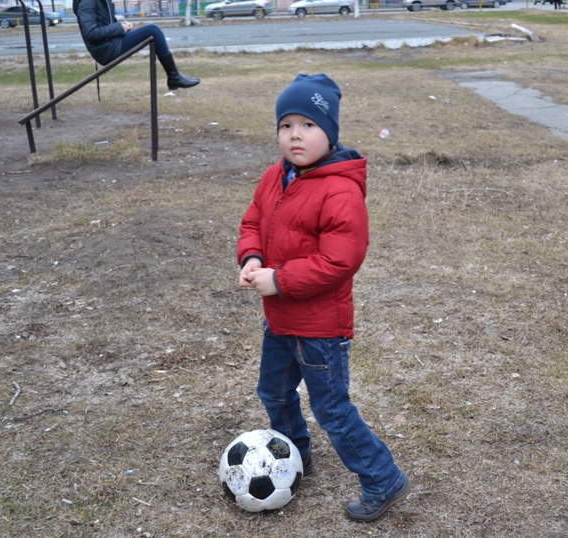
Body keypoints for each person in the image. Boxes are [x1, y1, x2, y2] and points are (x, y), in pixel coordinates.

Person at [237, 74, 410, 522]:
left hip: (320, 327)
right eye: (286, 125)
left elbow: (339, 261)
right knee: (273, 392)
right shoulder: (275, 177)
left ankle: (382, 478)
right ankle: (294, 452)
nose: (295, 134)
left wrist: (281, 280)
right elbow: (253, 220)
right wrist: (252, 257)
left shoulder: (340, 189)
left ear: (329, 132)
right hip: (279, 319)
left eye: (308, 124)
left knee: (331, 408)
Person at [73, 0, 199, 90]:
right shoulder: (86, 2)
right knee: (153, 30)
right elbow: (91, 33)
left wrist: (124, 27)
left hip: (111, 43)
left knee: (153, 31)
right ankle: (174, 77)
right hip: (106, 50)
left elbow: (106, 24)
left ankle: (174, 76)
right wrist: (120, 28)